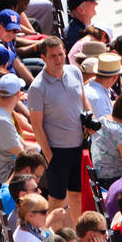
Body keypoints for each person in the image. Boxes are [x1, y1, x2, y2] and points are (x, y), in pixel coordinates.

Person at [27, 37, 88, 221]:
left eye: (61, 54)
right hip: (57, 152)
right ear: (43, 57)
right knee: (55, 202)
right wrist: (49, 156)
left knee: (77, 197)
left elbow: (83, 101)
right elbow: (36, 126)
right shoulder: (37, 88)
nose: (58, 59)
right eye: (53, 56)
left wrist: (90, 119)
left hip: (79, 148)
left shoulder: (75, 72)